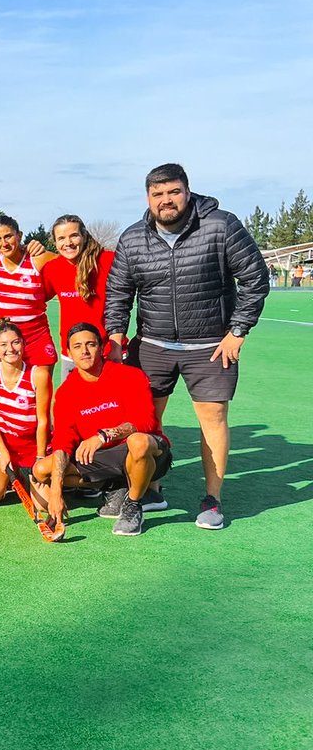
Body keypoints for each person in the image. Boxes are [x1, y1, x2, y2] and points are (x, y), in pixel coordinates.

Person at [105, 163, 269, 530]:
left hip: (210, 346)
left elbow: (255, 278)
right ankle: (151, 490)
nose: (167, 201)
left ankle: (212, 500)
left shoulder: (221, 225)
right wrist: (116, 335)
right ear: (148, 198)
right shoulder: (133, 238)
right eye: (158, 194)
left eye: (173, 192)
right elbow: (118, 292)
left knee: (212, 420)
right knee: (146, 422)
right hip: (151, 345)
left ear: (188, 192)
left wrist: (238, 330)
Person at [34, 322, 172, 536]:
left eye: (90, 344)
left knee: (139, 441)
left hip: (145, 450)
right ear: (69, 352)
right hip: (105, 459)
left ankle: (133, 504)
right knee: (42, 470)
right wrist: (56, 491)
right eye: (77, 346)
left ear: (101, 347)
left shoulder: (130, 376)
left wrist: (104, 435)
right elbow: (63, 439)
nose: (85, 351)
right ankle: (116, 486)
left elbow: (147, 422)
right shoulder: (66, 392)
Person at [0, 319, 52, 507]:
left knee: (42, 506)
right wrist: (3, 452)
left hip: (34, 445)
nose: (10, 349)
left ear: (23, 344)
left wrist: (40, 459)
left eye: (15, 342)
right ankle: (14, 474)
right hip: (5, 445)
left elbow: (43, 421)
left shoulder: (39, 375)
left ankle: (35, 475)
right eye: (3, 344)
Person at [42, 215, 115, 378]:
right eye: (61, 238)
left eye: (73, 235)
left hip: (109, 352)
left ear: (84, 236)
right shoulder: (52, 269)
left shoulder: (107, 260)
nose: (68, 243)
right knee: (73, 403)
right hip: (72, 355)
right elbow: (36, 299)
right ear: (55, 242)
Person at [0, 215, 58, 367]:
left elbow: (69, 263)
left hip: (37, 335)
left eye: (8, 236)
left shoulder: (38, 259)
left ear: (19, 236)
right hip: (6, 336)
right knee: (11, 387)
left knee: (42, 384)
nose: (4, 243)